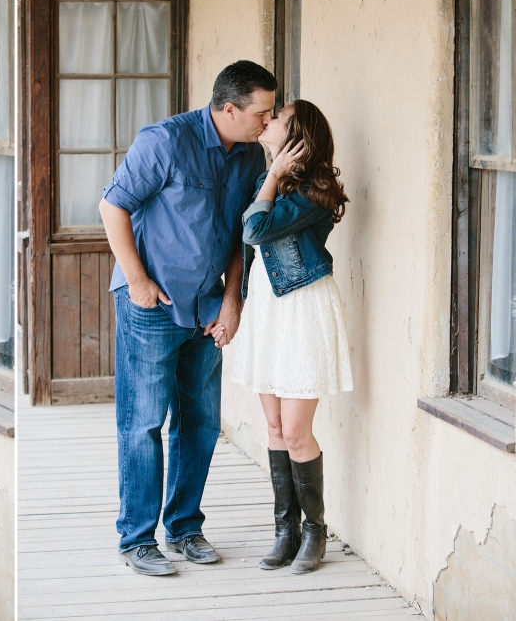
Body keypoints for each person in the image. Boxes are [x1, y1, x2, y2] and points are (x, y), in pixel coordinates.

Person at [99, 60, 275, 576]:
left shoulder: (247, 156)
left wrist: (233, 300)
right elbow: (113, 206)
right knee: (143, 424)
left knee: (198, 424)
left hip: (208, 308)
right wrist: (137, 282)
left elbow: (246, 231)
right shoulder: (164, 141)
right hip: (153, 306)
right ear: (228, 109)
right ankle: (136, 539)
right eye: (261, 113)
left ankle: (184, 528)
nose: (267, 122)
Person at [228, 99, 352, 575]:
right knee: (275, 428)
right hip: (268, 313)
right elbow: (250, 251)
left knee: (298, 431)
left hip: (301, 312)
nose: (268, 119)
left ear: (297, 136)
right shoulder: (276, 185)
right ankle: (286, 530)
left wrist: (275, 175)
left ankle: (315, 532)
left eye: (277, 116)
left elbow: (256, 229)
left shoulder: (312, 194)